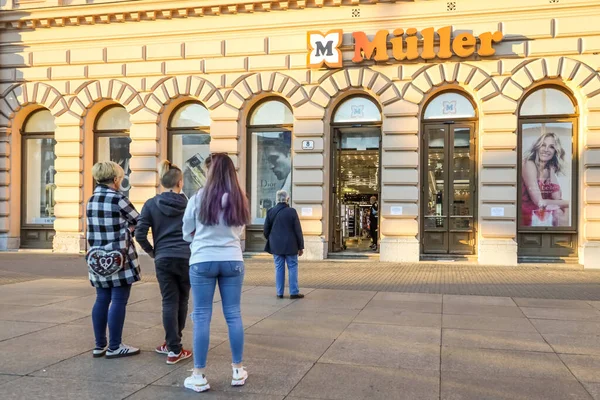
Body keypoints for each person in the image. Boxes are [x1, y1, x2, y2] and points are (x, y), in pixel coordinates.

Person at [182, 153, 250, 393]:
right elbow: (240, 230)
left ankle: (199, 375)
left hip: (202, 260)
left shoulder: (198, 198)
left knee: (201, 316)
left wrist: (200, 239)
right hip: (232, 260)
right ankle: (237, 370)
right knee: (233, 314)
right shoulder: (239, 198)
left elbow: (186, 230)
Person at [135, 160, 192, 365]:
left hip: (163, 258)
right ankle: (175, 345)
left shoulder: (151, 204)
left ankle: (172, 347)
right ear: (180, 183)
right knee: (183, 300)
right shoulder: (189, 204)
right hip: (186, 257)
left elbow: (140, 234)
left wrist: (152, 252)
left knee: (169, 301)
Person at [86, 161, 140, 359]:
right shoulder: (118, 199)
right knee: (118, 299)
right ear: (115, 179)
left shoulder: (91, 199)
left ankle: (100, 345)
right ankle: (115, 346)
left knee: (101, 298)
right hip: (119, 257)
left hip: (98, 258)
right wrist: (127, 230)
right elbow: (138, 220)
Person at [521, 132, 569, 227]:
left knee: (564, 210)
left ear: (555, 151)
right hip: (528, 211)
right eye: (543, 145)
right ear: (537, 147)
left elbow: (557, 197)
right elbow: (538, 201)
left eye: (551, 147)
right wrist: (568, 203)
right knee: (561, 211)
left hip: (543, 210)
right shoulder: (528, 164)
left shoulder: (549, 168)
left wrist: (551, 171)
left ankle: (562, 240)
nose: (546, 150)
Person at [263, 190, 305, 299]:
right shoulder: (291, 212)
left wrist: (272, 239)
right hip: (291, 245)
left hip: (276, 245)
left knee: (278, 268)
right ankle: (294, 292)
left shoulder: (271, 211)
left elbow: (266, 230)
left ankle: (279, 292)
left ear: (276, 199)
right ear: (287, 199)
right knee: (292, 267)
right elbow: (298, 230)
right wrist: (300, 246)